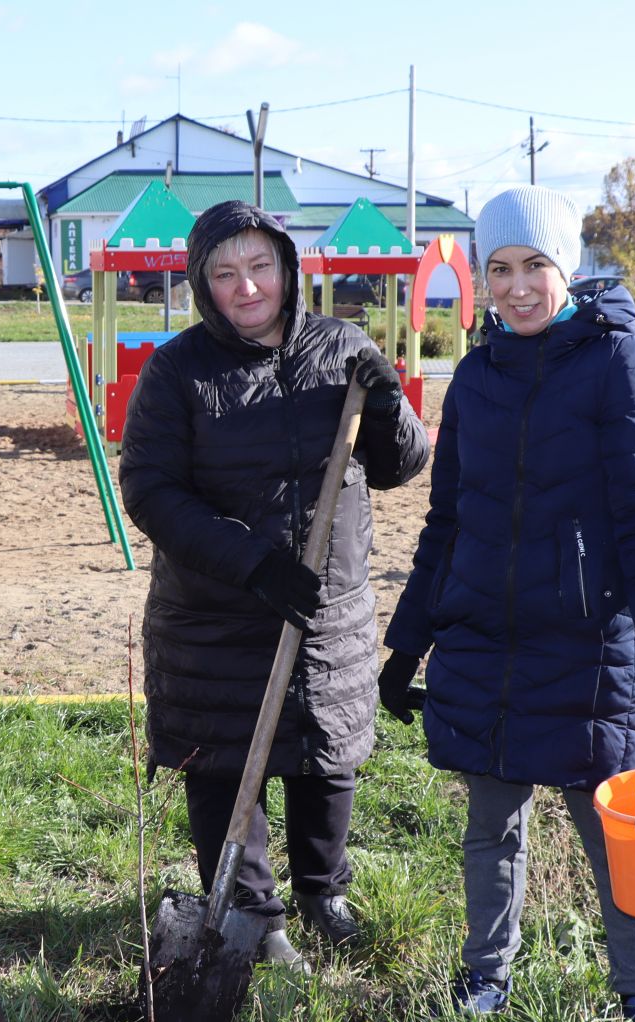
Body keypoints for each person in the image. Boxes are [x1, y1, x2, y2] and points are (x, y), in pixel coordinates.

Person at [380, 185, 635, 1022]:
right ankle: (486, 976)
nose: (518, 287)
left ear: (567, 270)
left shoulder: (619, 362)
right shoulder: (476, 376)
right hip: (485, 642)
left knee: (614, 840)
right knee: (491, 827)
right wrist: (405, 644)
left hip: (591, 646)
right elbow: (445, 523)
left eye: (535, 267)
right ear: (480, 279)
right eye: (500, 269)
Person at [120, 200, 430, 972]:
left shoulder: (341, 349)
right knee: (225, 763)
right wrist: (250, 560)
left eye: (259, 267)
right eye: (225, 274)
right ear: (202, 284)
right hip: (218, 612)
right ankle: (256, 915)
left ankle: (324, 892)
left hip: (329, 605)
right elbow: (152, 493)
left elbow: (400, 466)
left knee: (327, 754)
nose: (247, 287)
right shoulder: (177, 371)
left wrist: (389, 406)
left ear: (287, 268)